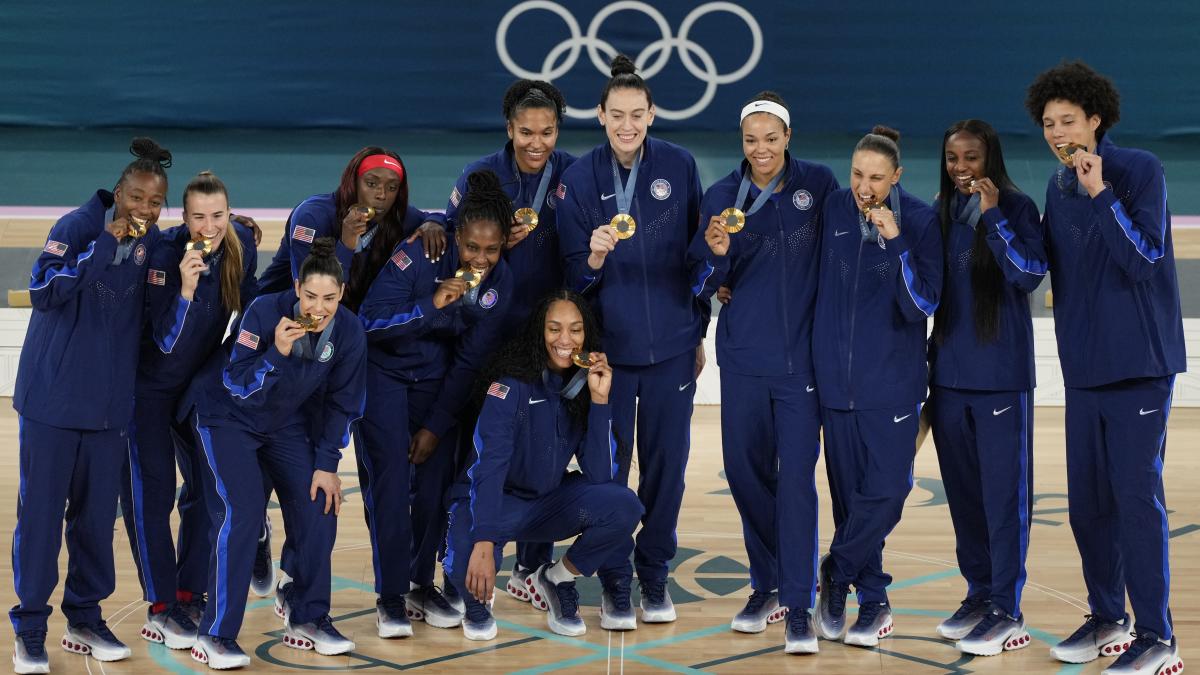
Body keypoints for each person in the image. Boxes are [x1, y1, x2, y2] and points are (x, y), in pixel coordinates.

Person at [1026, 61, 1185, 675]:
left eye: (1068, 120)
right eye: (1048, 123)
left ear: (1095, 120)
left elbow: (1144, 259)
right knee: (1086, 504)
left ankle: (1157, 636)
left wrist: (1100, 192)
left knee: (1136, 500)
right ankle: (1108, 617)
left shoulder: (1136, 170)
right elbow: (1044, 268)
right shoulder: (1056, 188)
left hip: (1140, 368)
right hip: (1084, 370)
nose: (1058, 132)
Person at [10, 137, 170, 673]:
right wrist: (102, 243)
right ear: (118, 192)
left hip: (107, 411)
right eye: (137, 198)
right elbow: (42, 290)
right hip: (53, 405)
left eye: (154, 203)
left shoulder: (151, 244)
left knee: (96, 522)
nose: (144, 210)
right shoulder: (77, 227)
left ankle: (84, 617)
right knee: (39, 523)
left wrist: (233, 229)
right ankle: (30, 628)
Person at [686, 91, 838, 654]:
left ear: (788, 139)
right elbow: (701, 282)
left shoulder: (818, 186)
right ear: (741, 141)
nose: (762, 149)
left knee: (796, 482)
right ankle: (769, 582)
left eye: (771, 138)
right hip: (743, 362)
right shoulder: (722, 196)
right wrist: (716, 257)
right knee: (744, 472)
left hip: (800, 364)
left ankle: (799, 605)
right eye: (752, 140)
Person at [557, 53, 705, 627]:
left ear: (652, 114)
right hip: (609, 355)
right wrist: (594, 258)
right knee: (610, 473)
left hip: (670, 349)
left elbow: (697, 259)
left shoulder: (680, 165)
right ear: (599, 115)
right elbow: (571, 279)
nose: (627, 125)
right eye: (616, 114)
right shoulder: (579, 178)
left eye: (637, 114)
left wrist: (698, 329)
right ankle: (616, 580)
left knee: (667, 469)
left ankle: (655, 573)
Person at [419, 79, 578, 599]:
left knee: (541, 458)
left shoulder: (573, 173)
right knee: (476, 456)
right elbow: (450, 237)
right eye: (526, 131)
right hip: (484, 338)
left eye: (547, 131)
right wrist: (433, 231)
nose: (537, 143)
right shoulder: (481, 175)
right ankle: (456, 566)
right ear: (509, 129)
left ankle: (528, 571)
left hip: (546, 345)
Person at [252, 146, 421, 601]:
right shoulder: (314, 214)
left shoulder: (398, 214)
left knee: (309, 477)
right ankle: (255, 533)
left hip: (334, 357)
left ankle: (294, 582)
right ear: (352, 181)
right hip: (282, 347)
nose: (381, 196)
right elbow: (316, 303)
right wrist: (346, 245)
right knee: (265, 465)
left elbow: (438, 217)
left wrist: (433, 226)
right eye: (372, 184)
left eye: (391, 188)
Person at [188, 238, 366, 669]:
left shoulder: (349, 331)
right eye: (309, 296)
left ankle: (307, 616)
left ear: (341, 294)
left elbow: (344, 403)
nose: (318, 308)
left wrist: (327, 465)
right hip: (227, 419)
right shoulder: (265, 312)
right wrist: (277, 354)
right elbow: (237, 384)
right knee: (243, 513)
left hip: (283, 425)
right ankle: (214, 634)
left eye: (328, 298)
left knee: (320, 504)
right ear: (295, 287)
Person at [356, 170, 514, 636]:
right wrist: (431, 305)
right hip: (382, 375)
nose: (480, 260)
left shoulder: (501, 282)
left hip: (436, 381)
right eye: (471, 247)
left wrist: (437, 425)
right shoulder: (422, 250)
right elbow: (368, 323)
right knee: (389, 483)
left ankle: (420, 584)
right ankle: (389, 597)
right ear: (455, 236)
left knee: (433, 487)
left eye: (492, 250)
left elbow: (469, 361)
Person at [444, 290, 643, 640]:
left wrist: (599, 400)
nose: (565, 339)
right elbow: (489, 467)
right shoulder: (509, 385)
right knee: (465, 565)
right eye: (554, 329)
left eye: (575, 330)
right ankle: (469, 592)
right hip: (494, 502)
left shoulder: (582, 385)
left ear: (587, 336)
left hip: (545, 503)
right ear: (539, 332)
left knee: (623, 505)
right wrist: (484, 541)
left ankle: (556, 578)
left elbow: (600, 476)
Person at [811, 126, 943, 648]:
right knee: (850, 500)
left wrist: (895, 242)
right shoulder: (834, 210)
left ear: (897, 177)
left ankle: (835, 571)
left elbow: (920, 305)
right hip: (834, 386)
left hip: (891, 384)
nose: (865, 187)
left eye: (877, 178)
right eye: (858, 175)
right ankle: (872, 597)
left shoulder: (920, 220)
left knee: (888, 492)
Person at [120, 171, 258, 651]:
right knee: (151, 494)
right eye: (198, 216)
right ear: (184, 217)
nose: (209, 225)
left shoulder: (240, 246)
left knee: (205, 490)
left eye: (218, 215)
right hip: (146, 391)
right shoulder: (163, 256)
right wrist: (183, 289)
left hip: (194, 389)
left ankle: (187, 590)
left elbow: (251, 308)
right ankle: (161, 606)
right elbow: (163, 343)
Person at [926, 120, 1047, 655]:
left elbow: (1028, 276)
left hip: (1001, 381)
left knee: (1003, 502)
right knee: (966, 501)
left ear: (989, 158)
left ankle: (1007, 608)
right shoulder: (940, 210)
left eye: (970, 158)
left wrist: (994, 216)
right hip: (950, 382)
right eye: (953, 158)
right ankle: (979, 594)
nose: (960, 168)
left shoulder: (1017, 208)